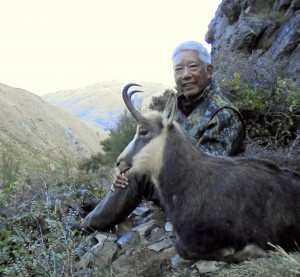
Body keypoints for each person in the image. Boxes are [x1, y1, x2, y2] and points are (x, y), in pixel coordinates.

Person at [81, 40, 246, 231]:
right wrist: (124, 167)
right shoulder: (176, 108)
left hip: (208, 202)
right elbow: (149, 144)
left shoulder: (224, 113)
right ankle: (97, 216)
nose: (186, 75)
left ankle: (88, 226)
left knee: (138, 176)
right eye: (179, 69)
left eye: (193, 67)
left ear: (208, 70)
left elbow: (208, 176)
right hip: (181, 192)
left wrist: (143, 169)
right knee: (131, 173)